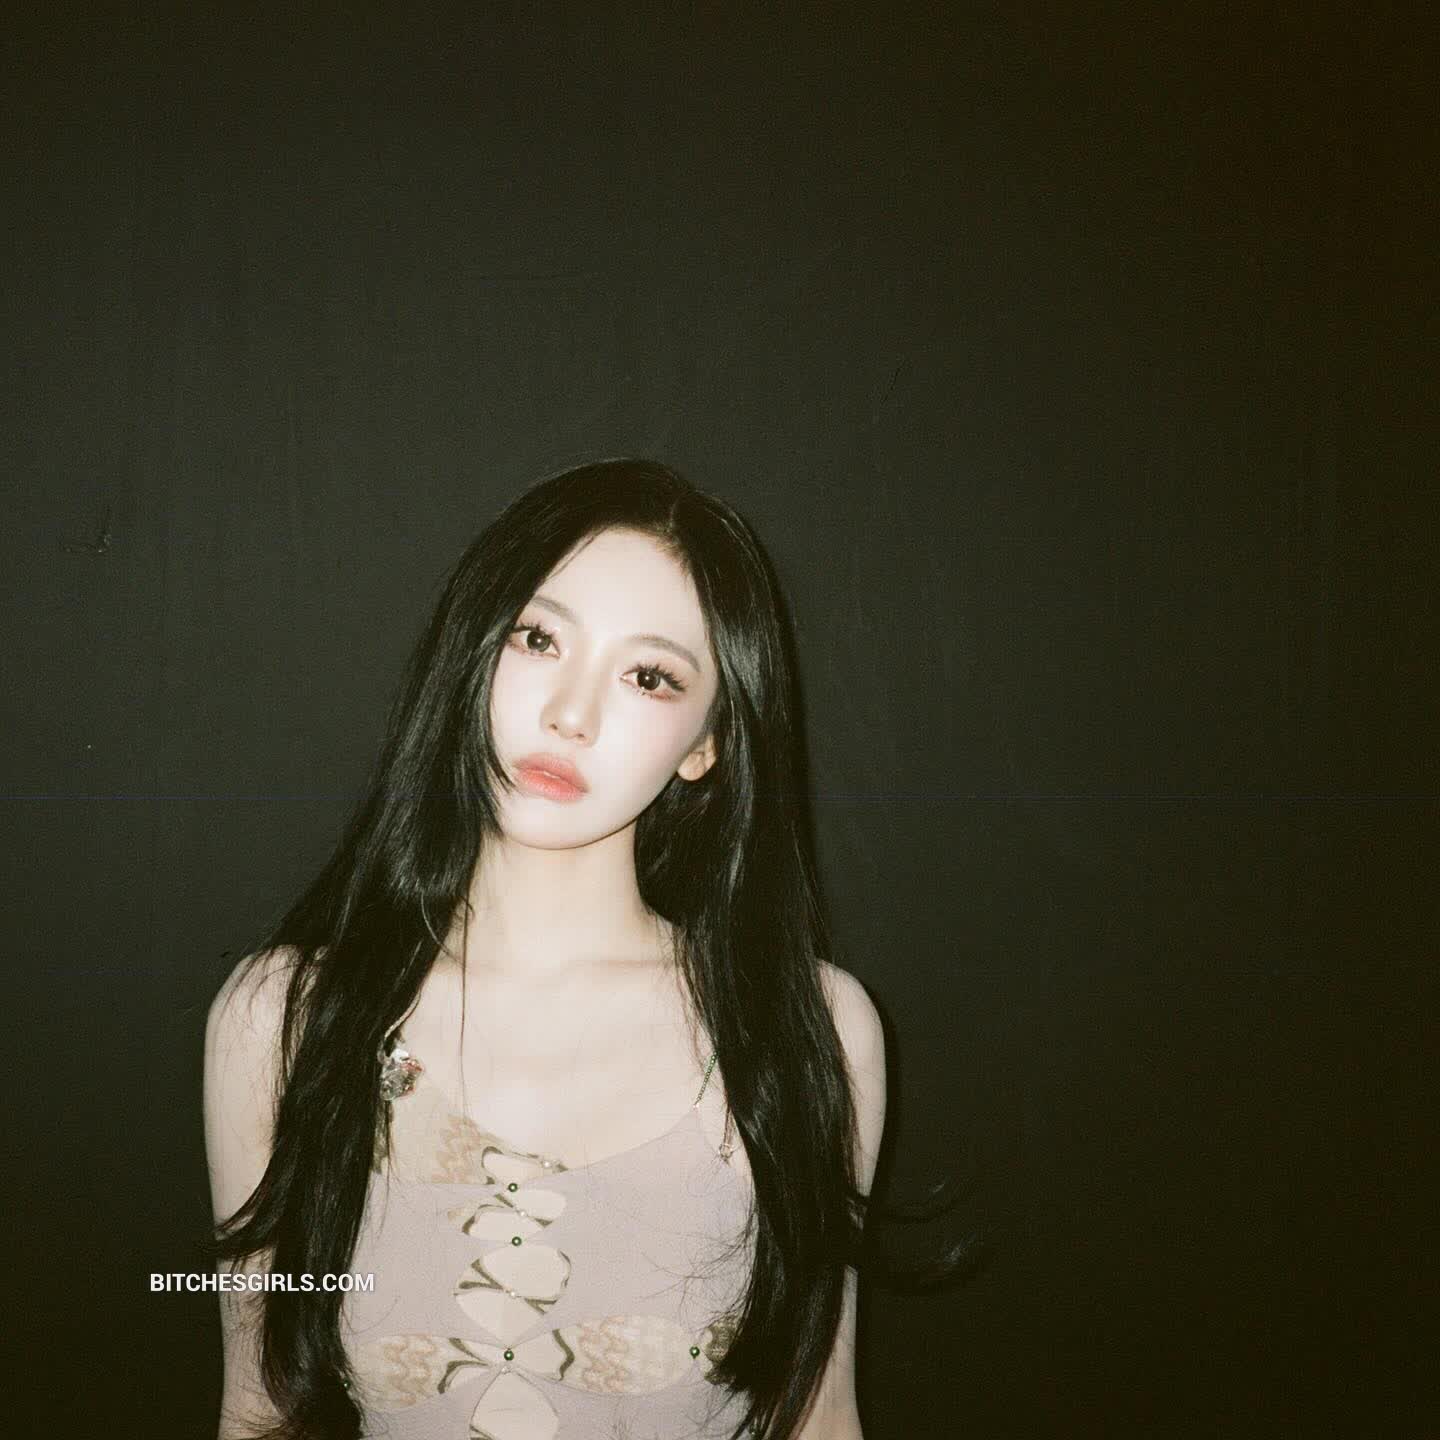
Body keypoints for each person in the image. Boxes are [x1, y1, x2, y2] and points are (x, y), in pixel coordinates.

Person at [204, 459, 887, 1440]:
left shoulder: (807, 1029)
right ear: (476, 653)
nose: (572, 712)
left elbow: (818, 1418)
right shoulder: (283, 1021)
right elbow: (258, 1411)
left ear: (708, 743)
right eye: (538, 637)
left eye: (649, 676)